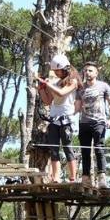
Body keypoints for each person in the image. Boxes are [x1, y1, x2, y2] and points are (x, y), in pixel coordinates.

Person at [35, 53, 79, 184]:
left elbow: (61, 93)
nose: (56, 73)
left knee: (67, 147)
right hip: (54, 119)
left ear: (65, 68)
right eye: (54, 71)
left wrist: (47, 84)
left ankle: (72, 177)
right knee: (54, 149)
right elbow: (48, 101)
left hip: (66, 120)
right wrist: (41, 88)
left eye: (57, 70)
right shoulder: (55, 82)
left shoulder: (73, 82)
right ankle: (56, 177)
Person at [77, 62, 110, 188]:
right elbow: (77, 106)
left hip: (99, 122)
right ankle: (86, 179)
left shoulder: (103, 86)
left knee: (99, 149)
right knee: (85, 151)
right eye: (85, 71)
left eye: (90, 70)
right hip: (84, 123)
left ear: (96, 73)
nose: (87, 73)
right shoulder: (81, 88)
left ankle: (102, 179)